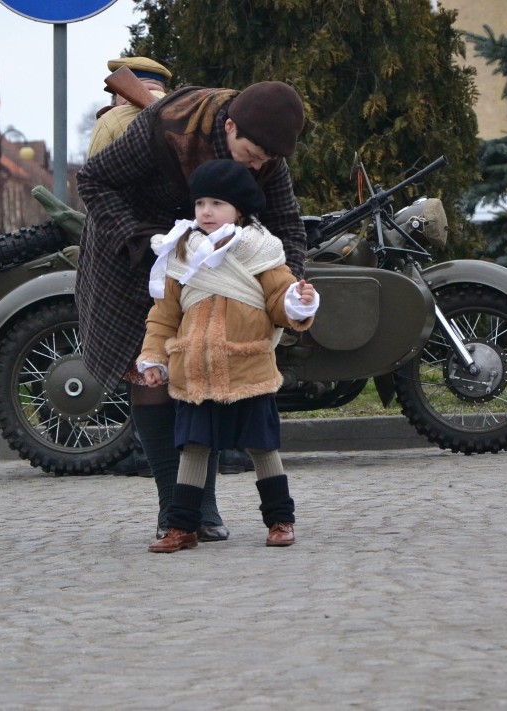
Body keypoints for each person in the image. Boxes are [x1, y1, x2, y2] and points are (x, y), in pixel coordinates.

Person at [76, 80, 307, 543]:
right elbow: (93, 180)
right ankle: (173, 508)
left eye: (268, 159)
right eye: (253, 152)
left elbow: (285, 225)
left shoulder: (265, 155)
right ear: (229, 126)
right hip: (134, 252)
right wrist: (137, 239)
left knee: (205, 374)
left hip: (215, 267)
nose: (259, 164)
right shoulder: (165, 127)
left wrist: (286, 286)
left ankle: (204, 506)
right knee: (151, 372)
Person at [139, 159, 318, 552]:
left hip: (249, 367)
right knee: (194, 448)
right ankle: (182, 527)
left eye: (217, 203)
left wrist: (298, 303)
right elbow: (164, 314)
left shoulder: (262, 250)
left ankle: (280, 520)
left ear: (239, 209)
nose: (205, 211)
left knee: (262, 447)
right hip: (194, 370)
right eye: (200, 202)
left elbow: (278, 300)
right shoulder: (180, 251)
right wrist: (153, 357)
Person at [87, 57, 172, 158]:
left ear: (122, 87)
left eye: (116, 92)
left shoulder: (110, 119)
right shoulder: (183, 108)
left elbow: (92, 171)